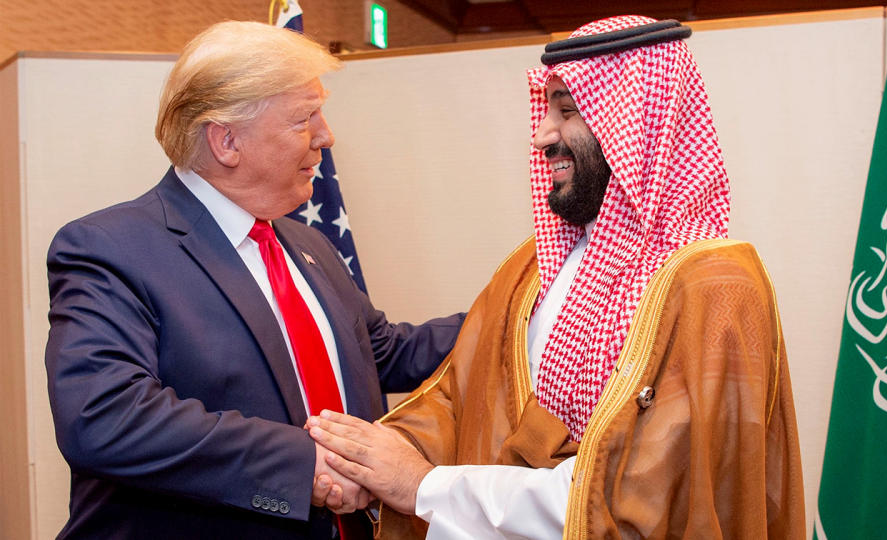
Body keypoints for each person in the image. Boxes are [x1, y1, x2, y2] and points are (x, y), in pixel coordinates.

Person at [306, 15, 805, 539]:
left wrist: (425, 488)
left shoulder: (716, 289)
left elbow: (646, 499)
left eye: (567, 110)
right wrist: (367, 460)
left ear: (635, 123)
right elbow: (459, 397)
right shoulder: (533, 265)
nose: (542, 134)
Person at [44, 21, 463, 540]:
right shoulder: (110, 249)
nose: (326, 136)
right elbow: (104, 417)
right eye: (304, 118)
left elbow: (383, 354)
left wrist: (523, 310)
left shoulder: (307, 244)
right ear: (227, 140)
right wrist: (300, 465)